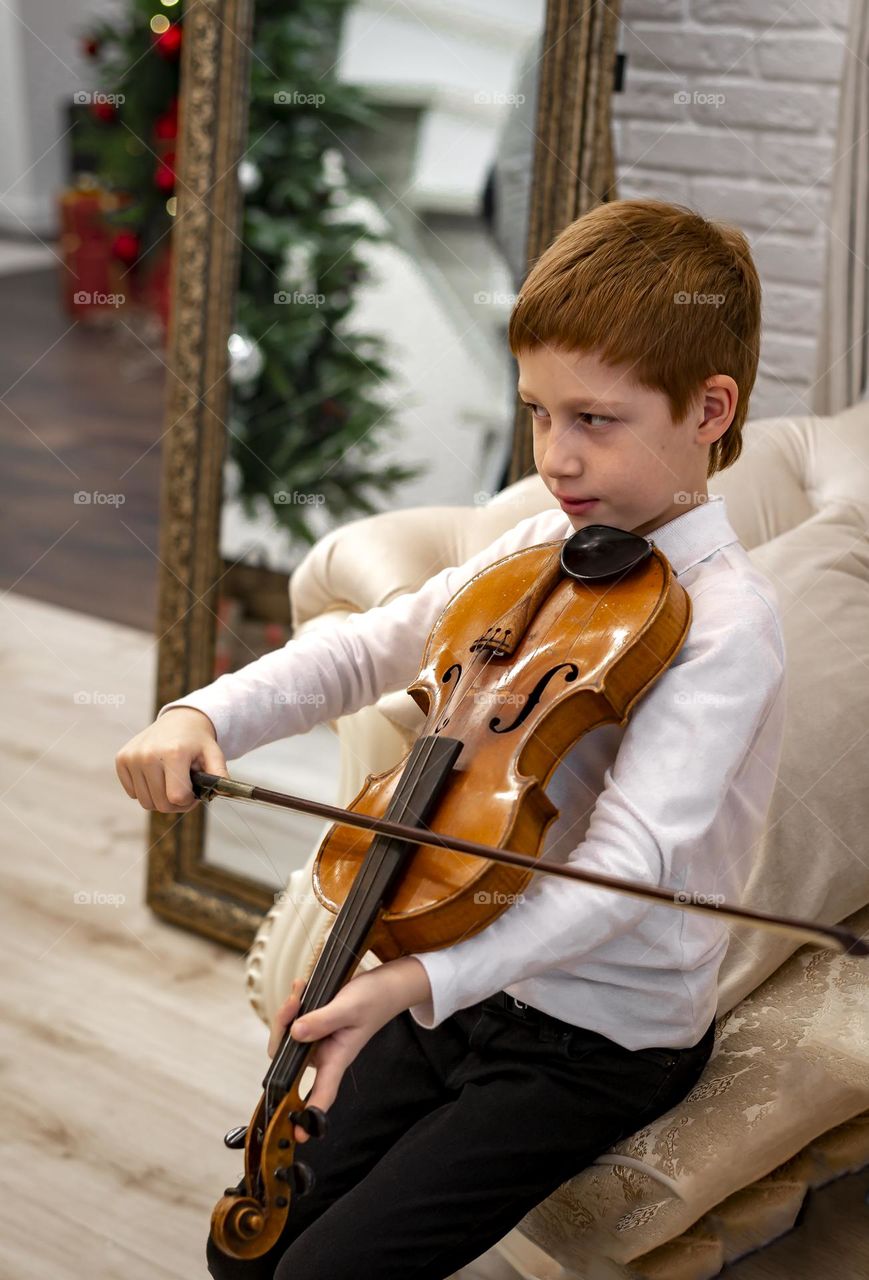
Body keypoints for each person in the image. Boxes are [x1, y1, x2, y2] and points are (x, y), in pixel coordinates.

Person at [115, 198, 787, 1280]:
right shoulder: (543, 541)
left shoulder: (727, 627)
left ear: (709, 408)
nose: (555, 457)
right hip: (459, 974)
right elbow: (365, 646)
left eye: (594, 420)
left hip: (594, 1039)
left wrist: (405, 989)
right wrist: (203, 712)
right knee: (245, 1252)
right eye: (536, 412)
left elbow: (620, 873)